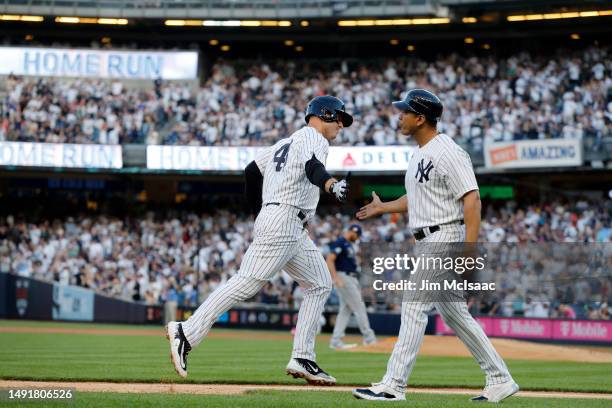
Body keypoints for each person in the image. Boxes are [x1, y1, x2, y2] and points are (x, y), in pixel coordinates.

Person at [166, 95, 353, 386]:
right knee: (246, 283)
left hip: (286, 221)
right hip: (285, 219)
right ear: (325, 115)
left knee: (319, 283)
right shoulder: (315, 137)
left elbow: (251, 171)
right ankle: (186, 331)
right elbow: (313, 167)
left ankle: (303, 357)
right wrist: (330, 184)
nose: (341, 124)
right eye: (339, 118)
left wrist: (260, 212)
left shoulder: (283, 143)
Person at [352, 89, 519, 402]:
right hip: (428, 238)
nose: (399, 116)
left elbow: (472, 198)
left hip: (444, 237)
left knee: (414, 305)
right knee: (456, 315)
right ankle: (500, 378)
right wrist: (383, 207)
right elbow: (415, 199)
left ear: (420, 118)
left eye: (404, 112)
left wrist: (469, 250)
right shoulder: (419, 153)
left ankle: (393, 385)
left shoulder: (448, 151)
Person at [327, 223, 377, 349]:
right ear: (353, 231)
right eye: (357, 235)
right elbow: (330, 260)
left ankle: (336, 340)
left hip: (350, 277)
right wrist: (336, 278)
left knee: (345, 310)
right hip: (344, 277)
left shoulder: (348, 244)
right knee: (359, 307)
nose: (358, 237)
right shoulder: (341, 242)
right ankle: (369, 338)